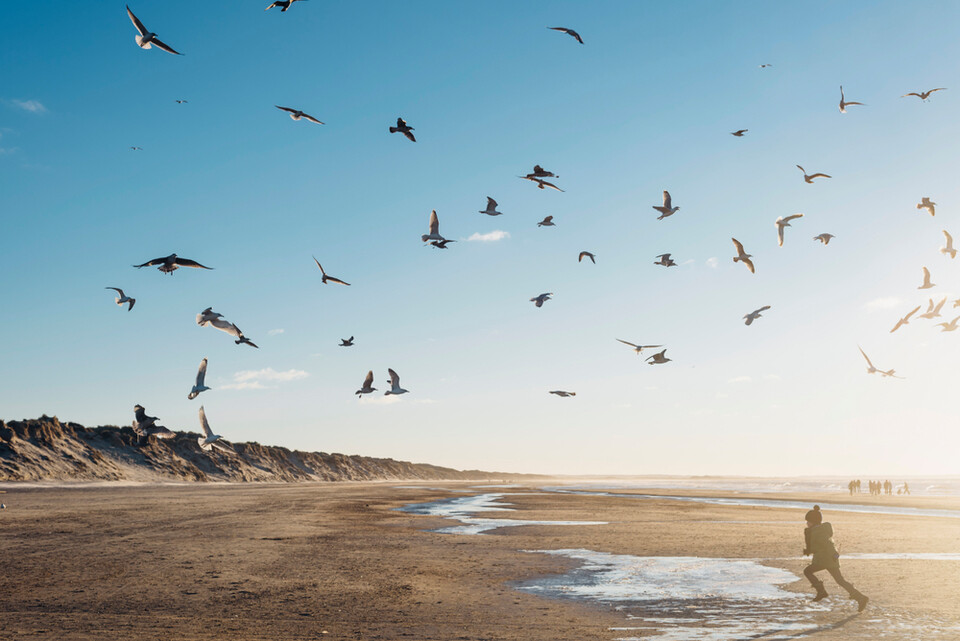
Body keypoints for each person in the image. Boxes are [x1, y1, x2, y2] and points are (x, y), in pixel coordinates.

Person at [802, 505, 869, 611]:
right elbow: (817, 545)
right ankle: (860, 597)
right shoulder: (815, 531)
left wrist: (834, 554)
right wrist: (808, 550)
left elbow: (828, 544)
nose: (807, 523)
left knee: (807, 571)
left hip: (825, 559)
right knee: (840, 580)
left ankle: (821, 591)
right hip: (828, 559)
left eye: (808, 521)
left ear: (814, 521)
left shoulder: (819, 532)